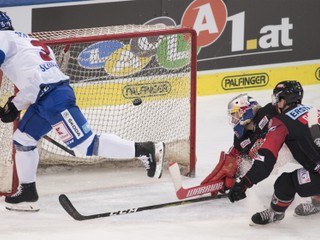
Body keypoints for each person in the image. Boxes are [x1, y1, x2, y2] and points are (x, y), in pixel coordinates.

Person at [0, 11, 165, 212]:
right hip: (46, 96)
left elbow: (37, 82)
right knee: (24, 139)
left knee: (85, 146)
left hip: (53, 99)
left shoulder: (2, 38)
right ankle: (27, 190)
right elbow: (35, 79)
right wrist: (16, 104)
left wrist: (15, 105)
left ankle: (144, 149)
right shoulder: (27, 40)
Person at [227, 80, 320, 225]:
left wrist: (244, 183)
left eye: (276, 99)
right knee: (311, 167)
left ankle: (275, 213)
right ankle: (318, 202)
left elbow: (265, 162)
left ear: (283, 100)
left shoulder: (280, 122)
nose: (275, 103)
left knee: (285, 182)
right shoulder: (312, 109)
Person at [201, 93, 279, 193]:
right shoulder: (241, 138)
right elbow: (241, 161)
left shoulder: (268, 112)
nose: (233, 120)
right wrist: (232, 178)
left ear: (244, 111)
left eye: (234, 115)